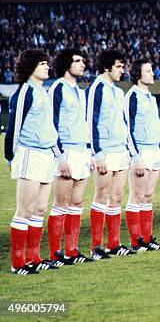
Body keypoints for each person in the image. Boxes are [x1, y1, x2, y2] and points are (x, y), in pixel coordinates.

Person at [6, 49, 61, 274]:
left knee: (39, 209)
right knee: (24, 210)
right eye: (42, 63)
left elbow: (49, 128)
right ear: (30, 67)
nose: (47, 67)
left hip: (47, 155)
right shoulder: (23, 93)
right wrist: (12, 158)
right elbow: (13, 129)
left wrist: (57, 154)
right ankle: (17, 263)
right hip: (30, 154)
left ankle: (33, 257)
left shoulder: (43, 91)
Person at [47, 49, 94, 266]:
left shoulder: (80, 91)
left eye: (83, 60)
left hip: (81, 151)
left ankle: (71, 251)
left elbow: (84, 124)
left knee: (77, 203)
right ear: (67, 64)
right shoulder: (57, 88)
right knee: (61, 203)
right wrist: (59, 158)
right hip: (65, 151)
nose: (82, 64)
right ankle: (54, 254)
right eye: (77, 61)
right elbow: (51, 123)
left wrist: (89, 151)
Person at [86, 50, 133, 257]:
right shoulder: (96, 88)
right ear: (106, 67)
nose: (122, 70)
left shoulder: (118, 91)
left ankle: (114, 244)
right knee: (102, 195)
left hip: (120, 149)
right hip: (104, 150)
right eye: (118, 67)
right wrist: (97, 153)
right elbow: (90, 122)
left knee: (117, 196)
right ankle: (96, 247)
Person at [124, 59, 160, 251]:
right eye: (148, 71)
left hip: (154, 151)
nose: (152, 74)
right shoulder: (132, 96)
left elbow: (155, 126)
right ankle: (136, 241)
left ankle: (147, 238)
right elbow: (128, 129)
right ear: (138, 74)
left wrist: (159, 151)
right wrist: (135, 157)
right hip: (140, 151)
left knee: (148, 196)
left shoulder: (149, 96)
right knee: (137, 196)